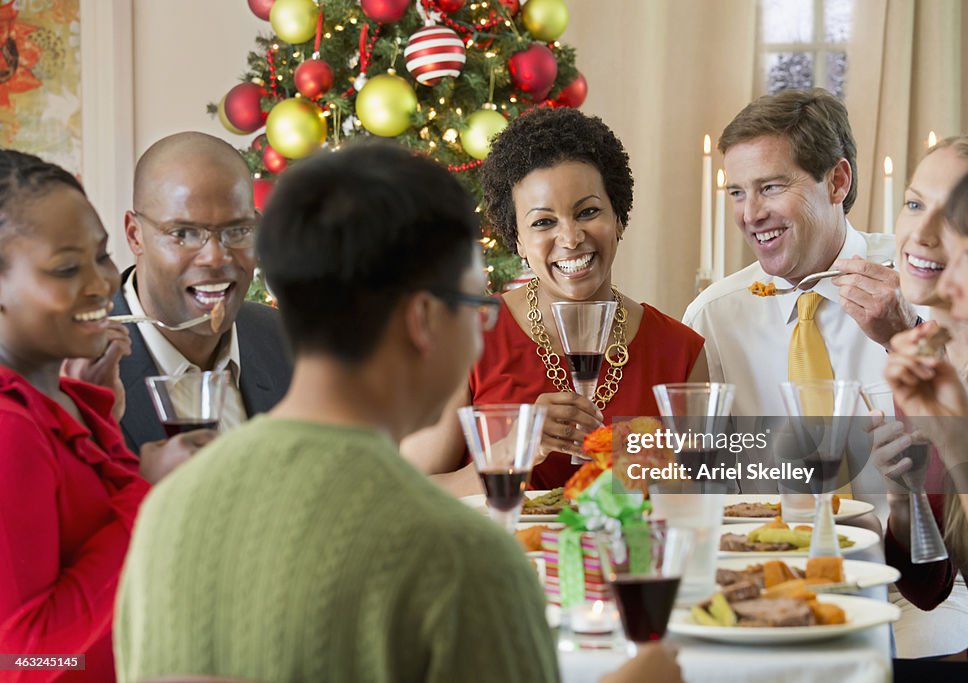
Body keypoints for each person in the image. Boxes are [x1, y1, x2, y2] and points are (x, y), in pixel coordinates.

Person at [114, 142, 685, 683]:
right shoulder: (460, 557)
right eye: (475, 306)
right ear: (423, 320)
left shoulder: (166, 508)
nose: (485, 328)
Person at [403, 107, 707, 494]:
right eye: (543, 222)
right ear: (517, 240)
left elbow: (701, 496)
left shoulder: (681, 352)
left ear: (619, 218)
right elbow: (406, 492)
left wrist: (656, 473)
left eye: (589, 212)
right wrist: (512, 451)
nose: (570, 238)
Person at [0, 151, 205, 683]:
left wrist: (97, 411)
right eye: (67, 267)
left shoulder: (64, 403)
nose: (102, 285)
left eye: (101, 257)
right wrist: (149, 495)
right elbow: (22, 660)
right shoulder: (10, 430)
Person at [869, 135, 968, 664]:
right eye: (914, 203)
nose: (923, 234)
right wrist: (903, 497)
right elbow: (929, 584)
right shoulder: (936, 367)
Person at [683, 89, 917, 418]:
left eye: (771, 187)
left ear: (837, 181)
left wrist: (907, 336)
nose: (750, 215)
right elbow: (699, 465)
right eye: (737, 192)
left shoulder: (920, 286)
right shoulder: (713, 318)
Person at [74, 132, 291, 452]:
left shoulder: (287, 342)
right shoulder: (76, 365)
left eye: (237, 231)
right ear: (135, 236)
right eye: (184, 233)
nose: (216, 257)